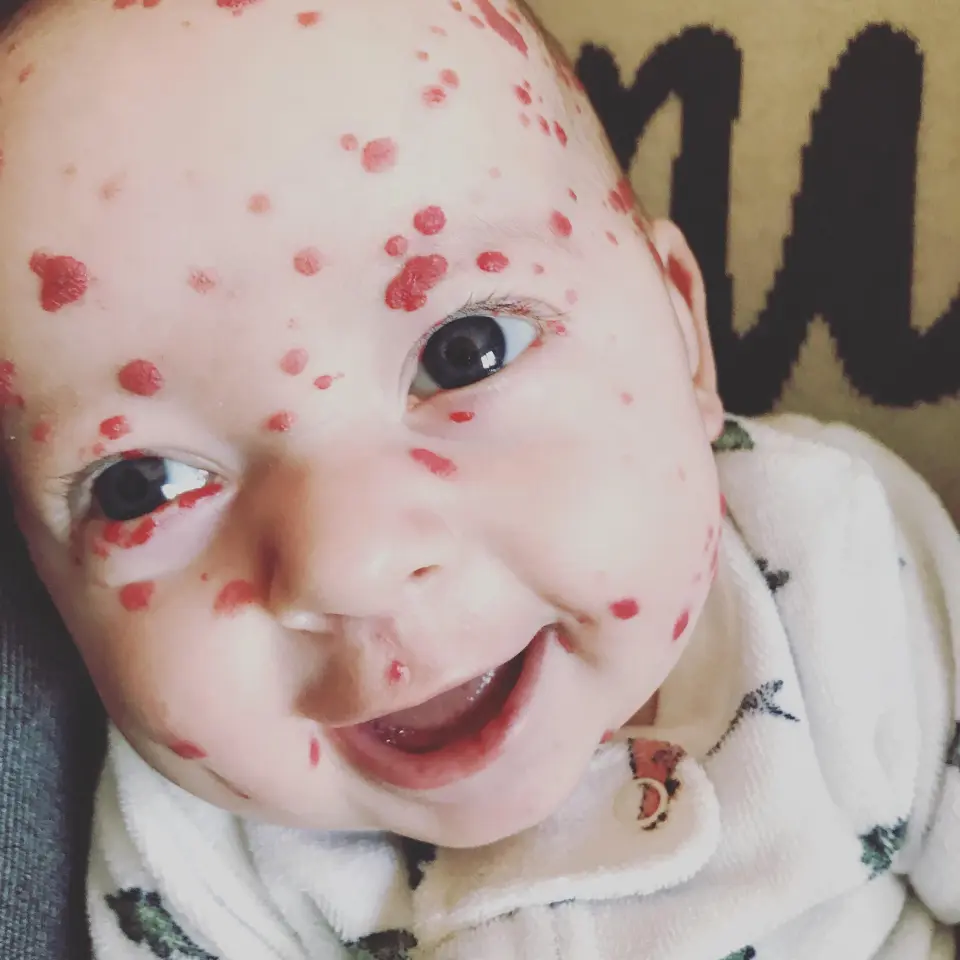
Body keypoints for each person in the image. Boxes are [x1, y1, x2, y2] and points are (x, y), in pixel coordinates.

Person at [0, 0, 958, 956]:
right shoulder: (196, 853)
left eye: (465, 352)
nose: (351, 565)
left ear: (683, 338)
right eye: (142, 484)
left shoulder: (831, 564)